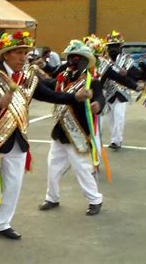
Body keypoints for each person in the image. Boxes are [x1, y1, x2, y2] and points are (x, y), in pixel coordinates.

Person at [0, 32, 91, 245]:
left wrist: (73, 97)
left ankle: (3, 223)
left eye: (26, 53)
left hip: (18, 138)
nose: (24, 57)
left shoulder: (29, 77)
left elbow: (48, 95)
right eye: (19, 53)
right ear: (6, 55)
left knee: (14, 183)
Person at [38, 40, 105, 216]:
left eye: (77, 58)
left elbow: (100, 97)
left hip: (78, 132)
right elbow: (47, 86)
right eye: (70, 58)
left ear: (84, 61)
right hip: (59, 131)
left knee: (82, 168)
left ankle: (95, 199)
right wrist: (34, 76)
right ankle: (52, 197)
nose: (72, 61)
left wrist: (97, 103)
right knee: (52, 166)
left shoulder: (92, 81)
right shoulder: (62, 78)